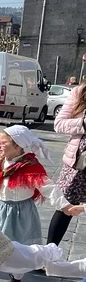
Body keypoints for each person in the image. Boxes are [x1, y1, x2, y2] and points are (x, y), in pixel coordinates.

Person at [0, 125, 50, 282]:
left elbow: (48, 187)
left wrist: (65, 205)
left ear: (18, 145)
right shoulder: (0, 163)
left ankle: (16, 280)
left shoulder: (30, 166)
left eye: (3, 143)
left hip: (20, 212)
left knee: (18, 246)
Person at [47, 81, 86, 248]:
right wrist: (83, 123)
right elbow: (59, 124)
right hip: (78, 162)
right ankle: (49, 254)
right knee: (66, 207)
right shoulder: (79, 92)